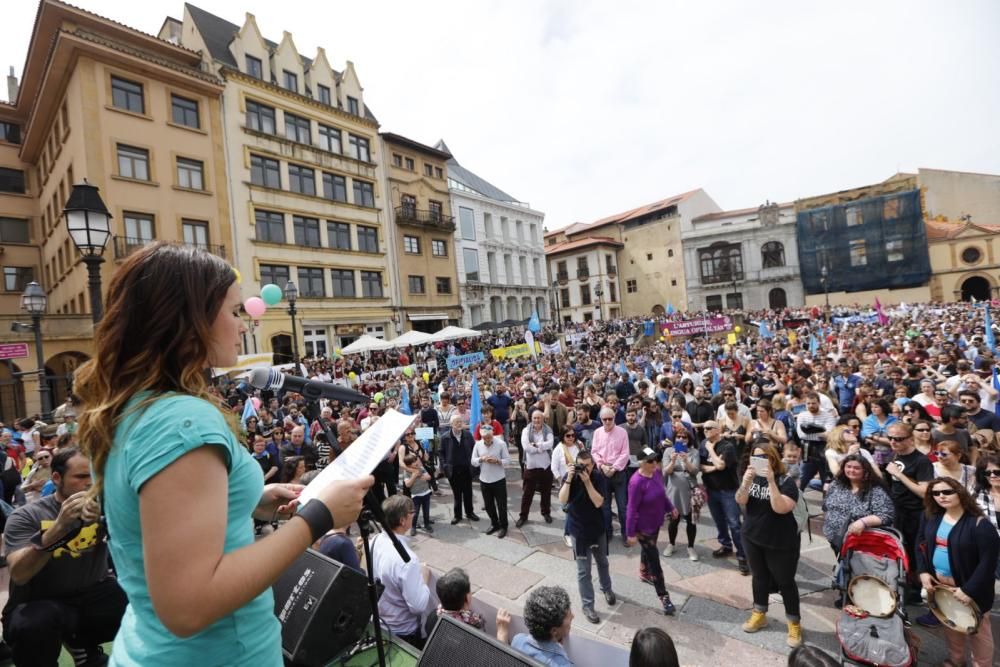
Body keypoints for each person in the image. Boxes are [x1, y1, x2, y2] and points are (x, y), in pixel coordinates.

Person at [72, 243, 372, 665]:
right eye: (233, 312)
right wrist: (318, 518)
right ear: (189, 320)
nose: (244, 326)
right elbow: (189, 605)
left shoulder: (144, 407)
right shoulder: (182, 421)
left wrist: (255, 501)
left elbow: (164, 520)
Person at [1, 448, 128, 666]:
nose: (90, 483)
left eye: (94, 476)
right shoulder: (27, 515)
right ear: (57, 478)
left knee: (140, 601)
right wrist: (59, 527)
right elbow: (20, 574)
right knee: (32, 625)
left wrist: (110, 519)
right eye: (81, 477)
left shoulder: (107, 506)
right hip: (40, 601)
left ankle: (83, 645)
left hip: (90, 595)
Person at [916, 477, 998, 667]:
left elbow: (988, 563)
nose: (941, 496)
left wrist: (969, 590)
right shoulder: (930, 516)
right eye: (935, 493)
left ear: (960, 492)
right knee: (951, 626)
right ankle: (955, 661)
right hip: (941, 586)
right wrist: (922, 571)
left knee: (979, 633)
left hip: (971, 590)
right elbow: (920, 544)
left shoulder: (980, 524)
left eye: (946, 492)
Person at [736, 441, 803, 648]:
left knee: (785, 582)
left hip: (780, 541)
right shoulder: (751, 477)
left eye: (764, 458)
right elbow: (740, 500)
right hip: (752, 536)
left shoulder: (786, 481)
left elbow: (780, 508)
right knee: (759, 577)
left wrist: (772, 482)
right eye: (755, 457)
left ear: (773, 459)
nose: (759, 462)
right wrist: (746, 483)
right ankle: (759, 613)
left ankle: (794, 622)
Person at [558, 451, 615, 624]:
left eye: (588, 465)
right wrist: (568, 478)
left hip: (597, 529)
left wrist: (588, 482)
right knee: (584, 571)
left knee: (603, 562)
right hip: (579, 532)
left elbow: (599, 502)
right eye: (581, 465)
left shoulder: (598, 477)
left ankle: (607, 588)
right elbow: (562, 500)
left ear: (593, 465)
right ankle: (588, 605)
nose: (585, 468)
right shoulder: (571, 477)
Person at [371, 495, 432, 649]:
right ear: (403, 520)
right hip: (404, 631)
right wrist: (424, 578)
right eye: (412, 512)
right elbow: (418, 606)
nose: (415, 514)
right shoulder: (407, 560)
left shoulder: (375, 540)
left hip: (380, 622)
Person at [883, 422, 933, 601]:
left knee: (915, 552)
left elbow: (924, 492)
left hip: (916, 513)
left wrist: (899, 474)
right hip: (897, 512)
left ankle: (918, 590)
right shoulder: (894, 455)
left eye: (898, 439)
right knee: (899, 549)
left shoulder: (921, 461)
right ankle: (904, 585)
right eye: (890, 438)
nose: (893, 442)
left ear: (911, 439)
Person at [626, 447, 679, 615]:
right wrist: (630, 533)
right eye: (650, 461)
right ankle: (664, 597)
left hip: (656, 522)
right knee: (655, 561)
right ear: (641, 463)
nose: (654, 463)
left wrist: (670, 507)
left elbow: (662, 494)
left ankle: (643, 572)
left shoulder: (656, 473)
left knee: (649, 552)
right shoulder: (636, 482)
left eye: (655, 459)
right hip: (643, 528)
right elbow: (631, 509)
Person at [821, 454, 894, 555]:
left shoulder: (875, 490)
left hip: (860, 542)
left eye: (857, 468)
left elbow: (886, 515)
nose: (851, 470)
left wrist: (863, 522)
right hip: (834, 538)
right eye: (848, 467)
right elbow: (826, 506)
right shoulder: (836, 484)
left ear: (865, 470)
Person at [700, 421, 748, 574]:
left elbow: (722, 466)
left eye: (708, 428)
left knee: (734, 523)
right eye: (704, 428)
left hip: (728, 490)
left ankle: (743, 555)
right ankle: (726, 545)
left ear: (717, 430)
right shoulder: (703, 443)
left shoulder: (727, 447)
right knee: (719, 521)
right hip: (711, 489)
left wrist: (710, 450)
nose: (705, 431)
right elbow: (701, 466)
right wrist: (715, 465)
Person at [430, 567, 511, 643]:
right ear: (468, 598)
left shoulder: (433, 616)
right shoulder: (472, 633)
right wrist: (502, 632)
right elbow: (493, 657)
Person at [590, 407, 630, 543]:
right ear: (600, 419)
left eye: (610, 419)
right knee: (605, 506)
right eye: (604, 419)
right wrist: (602, 465)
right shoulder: (597, 432)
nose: (607, 422)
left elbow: (625, 453)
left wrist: (614, 468)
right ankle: (608, 532)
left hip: (618, 473)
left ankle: (626, 533)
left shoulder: (622, 432)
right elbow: (594, 451)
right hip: (603, 472)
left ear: (615, 418)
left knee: (622, 507)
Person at [510, 586, 575, 667]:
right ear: (554, 631)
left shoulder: (518, 640)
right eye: (568, 616)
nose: (573, 616)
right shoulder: (563, 664)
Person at [662, 430, 700, 561]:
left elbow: (695, 470)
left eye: (684, 437)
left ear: (689, 439)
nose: (681, 439)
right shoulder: (668, 451)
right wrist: (672, 461)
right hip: (674, 489)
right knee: (674, 519)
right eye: (678, 437)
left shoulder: (694, 452)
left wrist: (685, 461)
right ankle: (671, 543)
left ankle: (691, 547)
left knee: (691, 520)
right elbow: (665, 471)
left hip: (689, 489)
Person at [471, 424, 510, 538]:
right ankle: (494, 523)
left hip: (498, 479)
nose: (487, 440)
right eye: (485, 438)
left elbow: (508, 460)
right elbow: (473, 461)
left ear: (492, 434)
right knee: (488, 505)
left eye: (489, 437)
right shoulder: (478, 444)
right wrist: (481, 459)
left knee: (501, 505)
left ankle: (504, 526)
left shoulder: (501, 444)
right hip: (484, 479)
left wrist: (498, 461)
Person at [517, 410, 555, 527]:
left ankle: (546, 512)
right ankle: (523, 516)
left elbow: (550, 444)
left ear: (543, 419)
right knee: (527, 493)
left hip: (545, 467)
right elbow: (526, 448)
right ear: (531, 419)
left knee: (546, 492)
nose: (536, 420)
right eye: (534, 418)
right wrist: (540, 448)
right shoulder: (526, 430)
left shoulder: (548, 430)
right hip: (531, 467)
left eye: (539, 418)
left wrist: (536, 445)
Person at [440, 415, 479, 525]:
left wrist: (474, 465)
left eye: (460, 422)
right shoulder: (445, 437)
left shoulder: (468, 435)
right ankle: (458, 515)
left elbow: (474, 449)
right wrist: (444, 466)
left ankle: (470, 512)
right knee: (457, 494)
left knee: (468, 493)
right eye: (456, 422)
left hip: (466, 469)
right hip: (453, 470)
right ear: (451, 424)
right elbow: (441, 452)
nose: (459, 424)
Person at [972, 452, 1000, 579]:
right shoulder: (977, 494)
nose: (993, 476)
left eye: (997, 472)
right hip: (988, 547)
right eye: (988, 473)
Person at [552, 429, 581, 548]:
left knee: (577, 508)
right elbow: (554, 468)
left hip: (579, 482)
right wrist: (561, 481)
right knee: (568, 509)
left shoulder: (579, 445)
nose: (571, 437)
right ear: (563, 436)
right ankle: (567, 533)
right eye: (568, 435)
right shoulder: (559, 449)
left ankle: (577, 530)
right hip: (566, 483)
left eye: (573, 435)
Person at [401, 453, 433, 535]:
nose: (416, 462)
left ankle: (427, 524)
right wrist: (414, 476)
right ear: (408, 465)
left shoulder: (421, 468)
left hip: (426, 492)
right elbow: (407, 484)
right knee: (415, 512)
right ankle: (413, 526)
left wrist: (423, 476)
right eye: (413, 462)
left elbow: (429, 477)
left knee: (426, 510)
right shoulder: (407, 472)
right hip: (416, 495)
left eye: (415, 460)